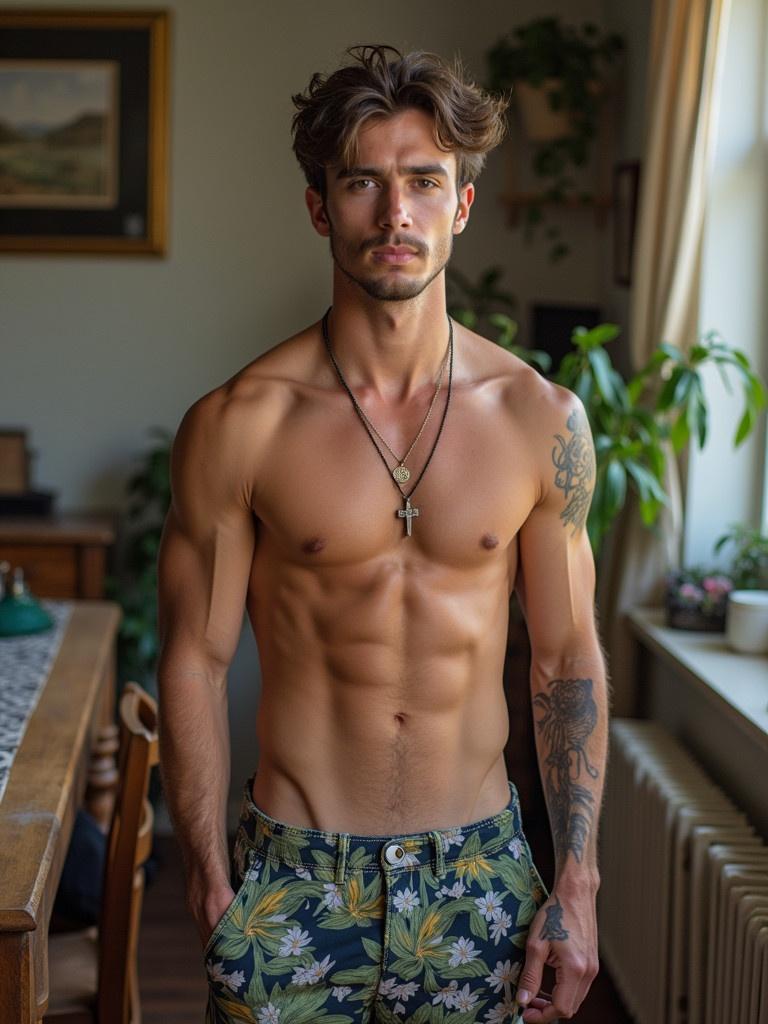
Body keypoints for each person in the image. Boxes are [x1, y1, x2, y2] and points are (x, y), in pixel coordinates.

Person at [157, 43, 609, 1024]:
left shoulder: (542, 421)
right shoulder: (241, 422)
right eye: (363, 182)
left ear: (462, 204)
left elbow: (567, 657)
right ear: (321, 205)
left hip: (479, 873)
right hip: (291, 876)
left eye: (423, 182)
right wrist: (204, 874)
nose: (394, 215)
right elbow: (192, 657)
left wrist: (576, 880)